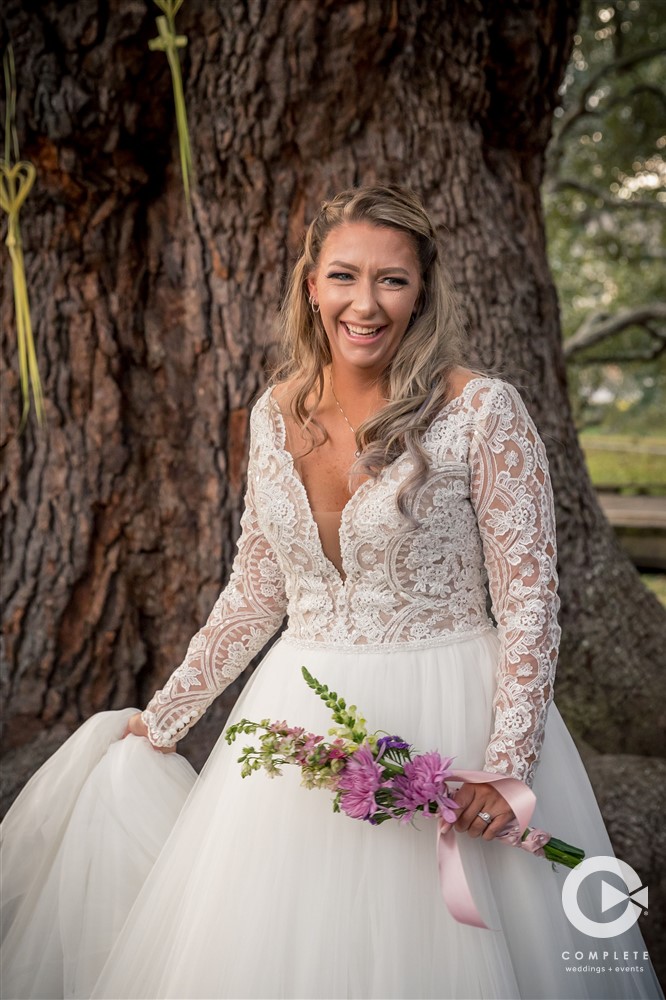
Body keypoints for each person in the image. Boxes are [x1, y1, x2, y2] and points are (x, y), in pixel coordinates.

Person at [1, 185, 662, 1000]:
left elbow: (529, 602)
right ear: (311, 284)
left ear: (423, 292)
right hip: (299, 716)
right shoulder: (274, 414)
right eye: (344, 276)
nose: (366, 303)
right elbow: (257, 585)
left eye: (393, 280)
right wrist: (167, 716)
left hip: (450, 704)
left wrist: (506, 767)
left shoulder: (483, 410)